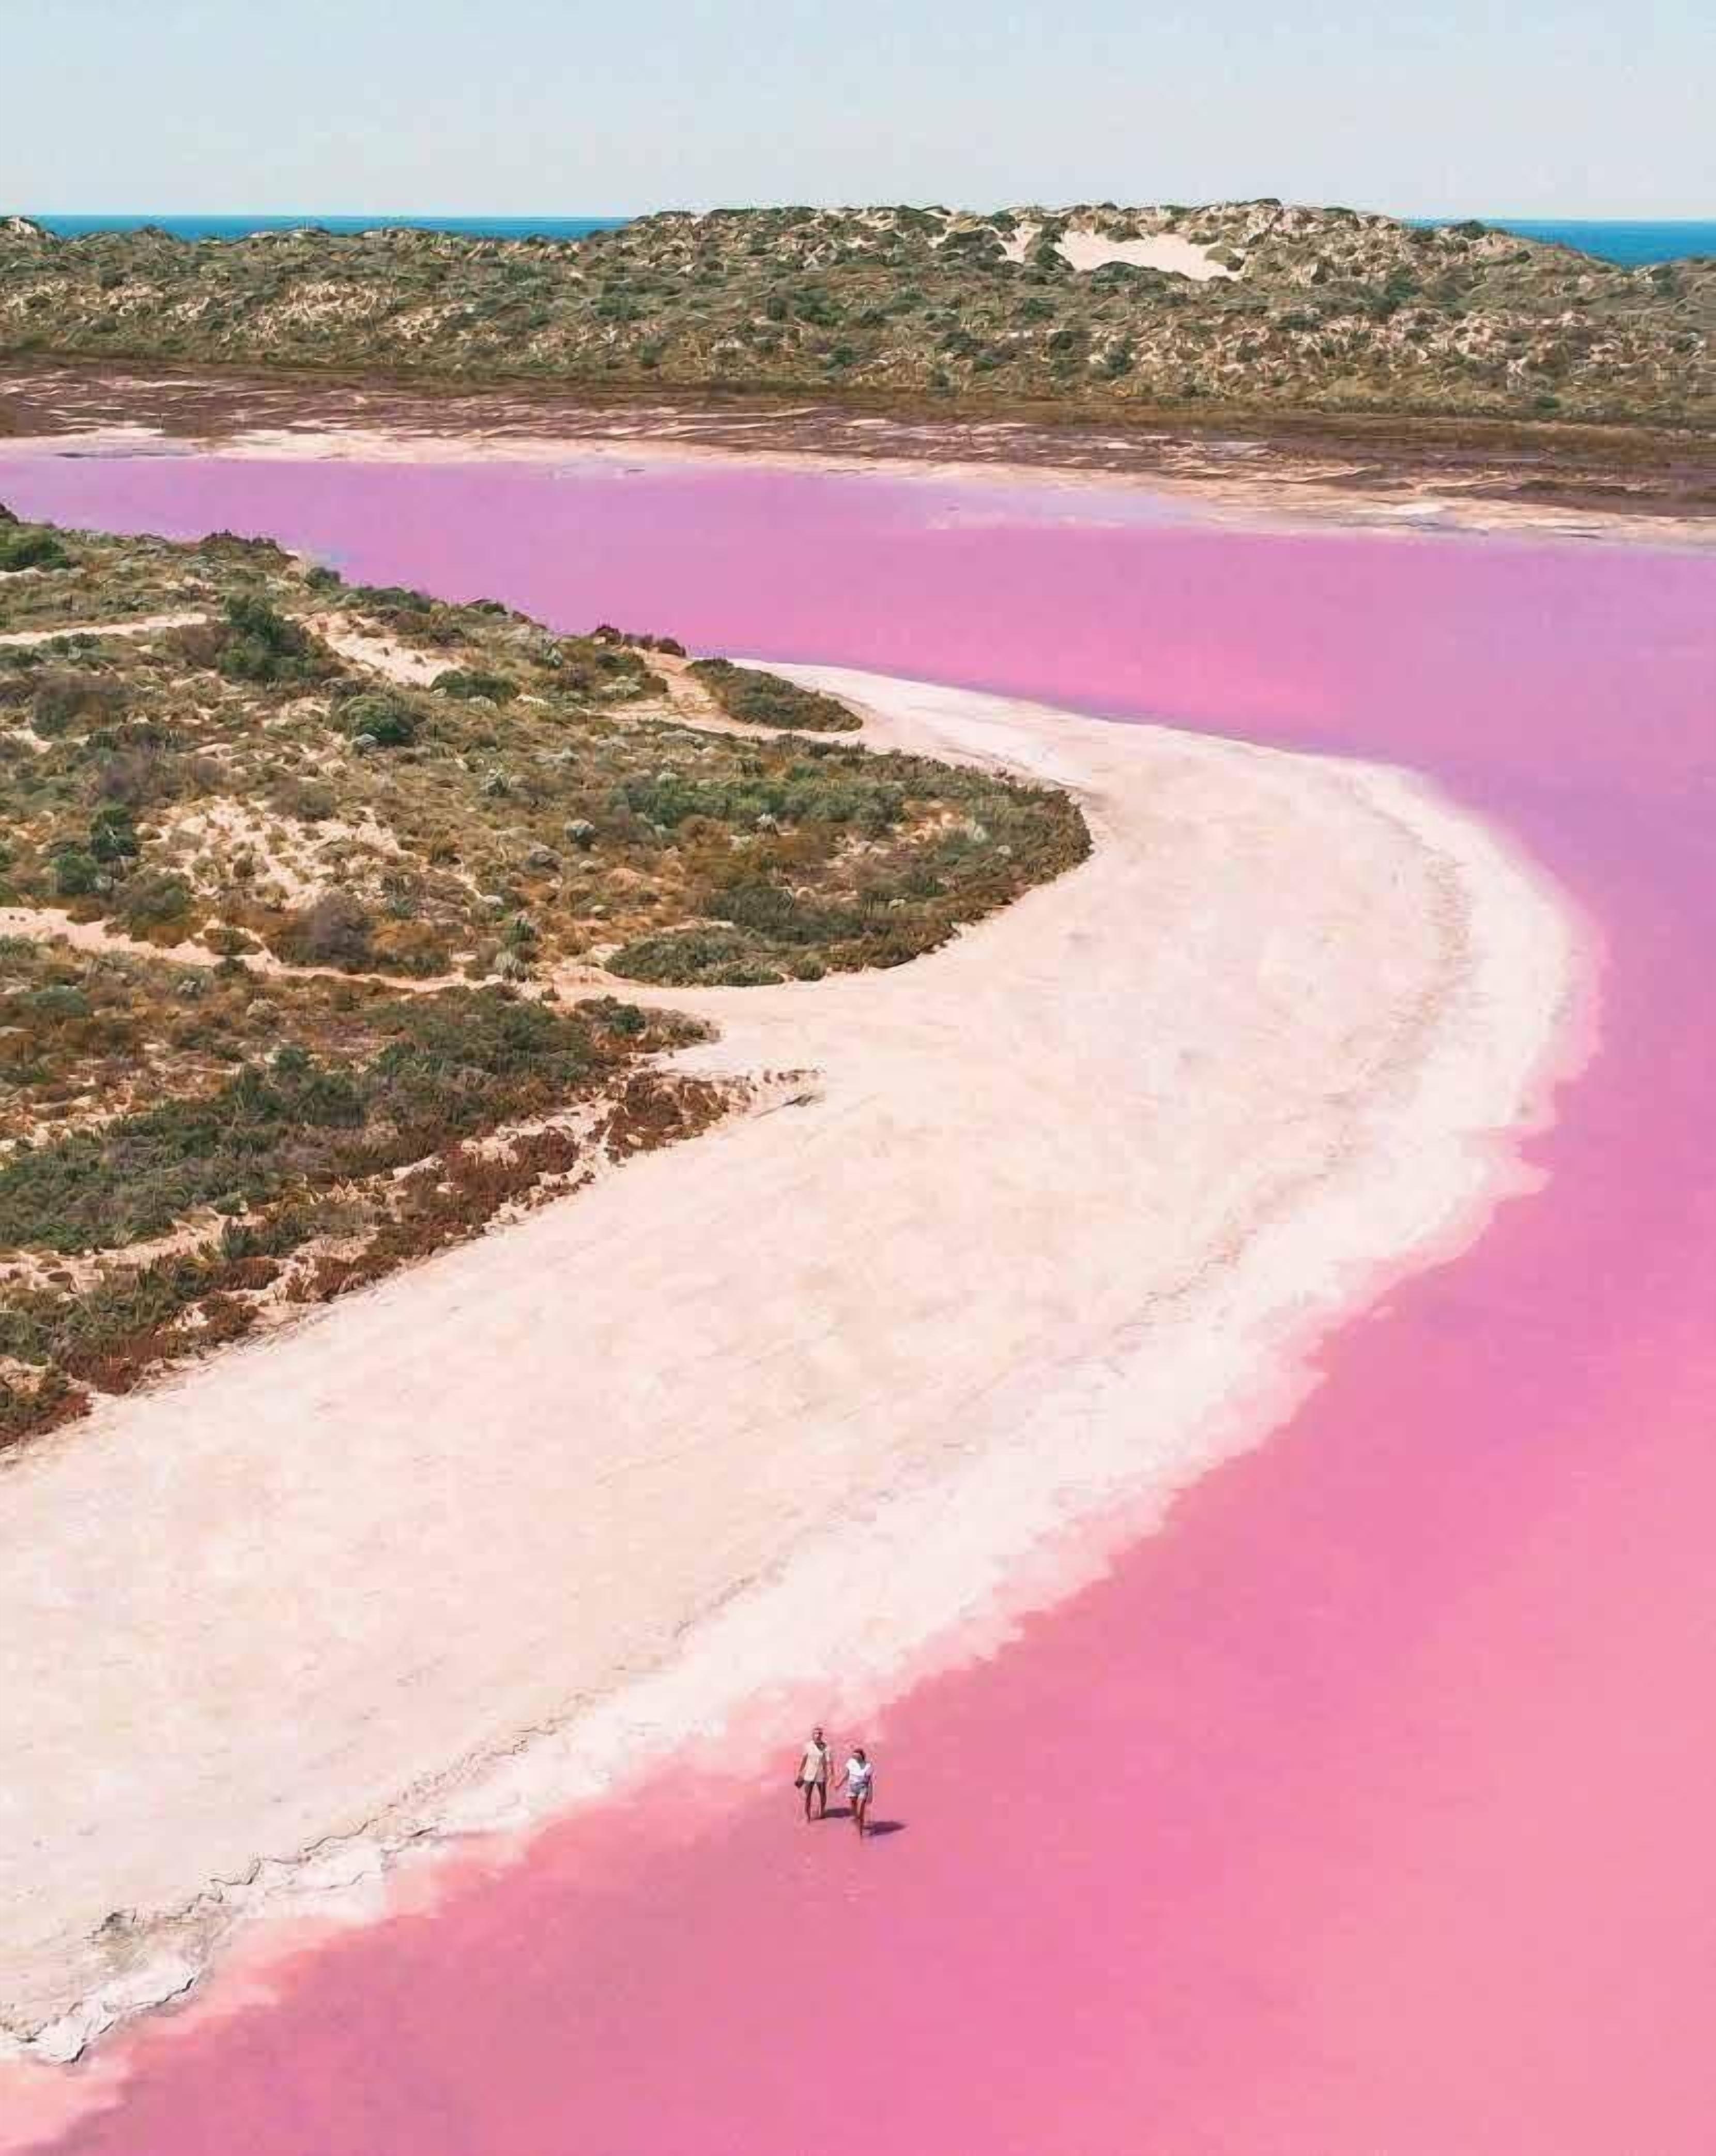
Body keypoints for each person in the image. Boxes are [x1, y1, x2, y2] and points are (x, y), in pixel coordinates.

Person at [796, 1727, 832, 1820]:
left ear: (822, 1735)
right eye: (816, 1734)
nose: (817, 1736)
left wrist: (831, 1775)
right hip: (809, 1774)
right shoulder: (808, 1746)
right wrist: (800, 1773)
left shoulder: (826, 1747)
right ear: (813, 1735)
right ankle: (808, 1816)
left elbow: (829, 1762)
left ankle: (822, 1811)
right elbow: (804, 1759)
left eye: (819, 1734)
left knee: (823, 1795)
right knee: (808, 1796)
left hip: (821, 1774)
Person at [839, 1745, 874, 1836]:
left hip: (863, 1787)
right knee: (854, 1809)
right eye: (854, 1757)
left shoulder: (868, 1766)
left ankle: (861, 1833)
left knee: (861, 1810)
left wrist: (870, 1794)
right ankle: (856, 1819)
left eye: (857, 1757)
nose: (855, 1759)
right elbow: (847, 1775)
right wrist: (839, 1784)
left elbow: (870, 1781)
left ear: (862, 1756)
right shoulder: (851, 1763)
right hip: (852, 1787)